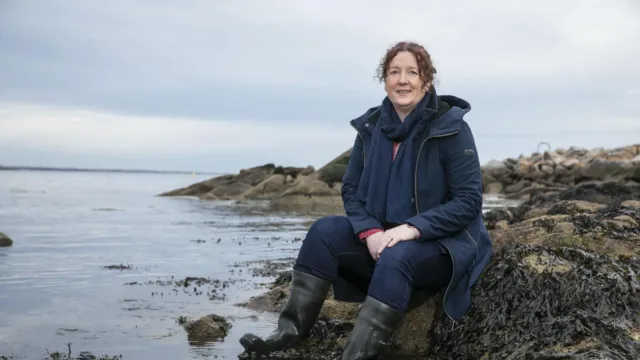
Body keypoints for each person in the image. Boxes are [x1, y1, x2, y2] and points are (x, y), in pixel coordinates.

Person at [239, 41, 493, 359]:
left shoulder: (452, 128)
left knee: (398, 255)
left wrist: (410, 229)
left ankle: (356, 355)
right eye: (394, 72)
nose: (403, 80)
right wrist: (370, 232)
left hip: (443, 247)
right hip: (383, 240)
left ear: (426, 81)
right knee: (323, 232)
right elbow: (351, 189)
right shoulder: (371, 128)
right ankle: (288, 332)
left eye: (412, 72)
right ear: (384, 79)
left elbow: (468, 201)